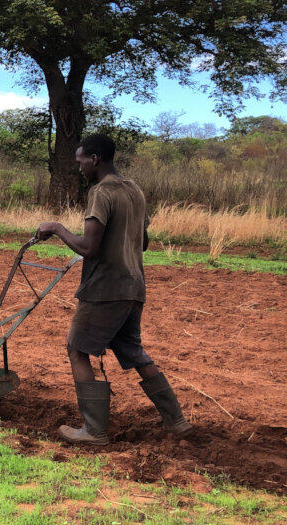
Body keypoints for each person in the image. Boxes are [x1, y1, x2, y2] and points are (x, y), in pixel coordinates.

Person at [35, 134, 192, 445]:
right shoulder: (134, 190)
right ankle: (176, 421)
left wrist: (55, 228)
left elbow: (89, 248)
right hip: (134, 286)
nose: (79, 167)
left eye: (81, 161)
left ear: (94, 159)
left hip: (105, 289)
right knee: (133, 351)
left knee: (78, 349)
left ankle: (94, 430)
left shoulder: (100, 192)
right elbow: (143, 242)